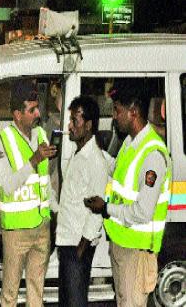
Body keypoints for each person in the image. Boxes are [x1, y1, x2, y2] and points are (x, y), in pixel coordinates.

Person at [84, 79, 171, 307]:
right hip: (122, 245)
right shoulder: (130, 143)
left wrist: (105, 208)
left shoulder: (152, 154)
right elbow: (116, 170)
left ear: (133, 112)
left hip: (137, 252)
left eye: (117, 110)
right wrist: (91, 149)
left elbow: (142, 212)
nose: (114, 116)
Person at [0, 79, 57, 306]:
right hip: (17, 232)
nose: (38, 113)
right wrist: (34, 160)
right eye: (32, 110)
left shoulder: (41, 134)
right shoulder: (3, 141)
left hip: (41, 227)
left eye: (37, 107)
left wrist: (55, 210)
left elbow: (45, 180)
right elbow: (8, 186)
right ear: (17, 114)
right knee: (10, 294)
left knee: (36, 292)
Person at [56, 96, 108, 307]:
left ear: (88, 125)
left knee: (75, 303)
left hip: (78, 246)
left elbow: (97, 210)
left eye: (74, 121)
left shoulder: (95, 161)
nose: (69, 126)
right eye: (70, 120)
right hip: (68, 242)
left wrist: (81, 248)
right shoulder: (79, 155)